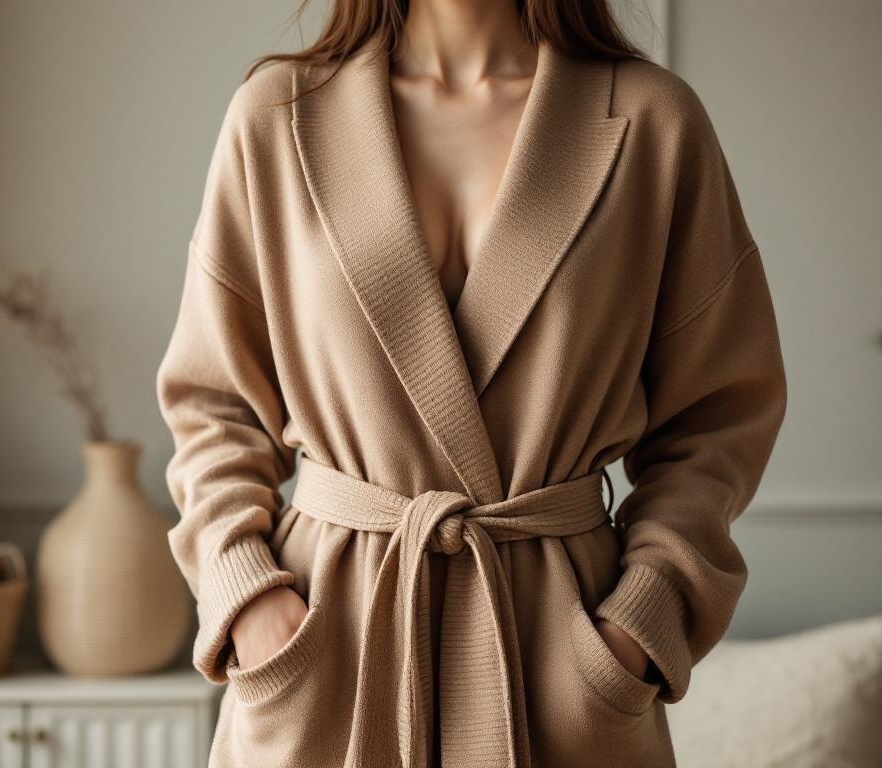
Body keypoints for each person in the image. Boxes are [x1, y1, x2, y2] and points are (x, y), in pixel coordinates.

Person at [155, 1, 787, 766]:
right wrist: (250, 599)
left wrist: (641, 623)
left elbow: (719, 418)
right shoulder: (280, 116)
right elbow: (213, 404)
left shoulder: (653, 123)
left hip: (561, 656)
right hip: (332, 651)